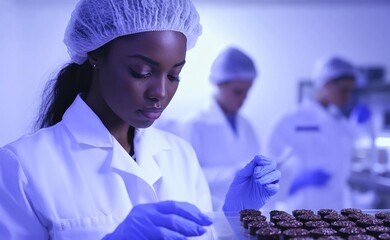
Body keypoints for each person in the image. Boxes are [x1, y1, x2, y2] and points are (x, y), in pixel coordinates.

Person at [0, 0, 280, 239]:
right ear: (95, 55)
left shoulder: (179, 154)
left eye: (174, 76)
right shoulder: (22, 166)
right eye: (142, 71)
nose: (160, 93)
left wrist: (233, 219)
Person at [162, 46, 262, 211]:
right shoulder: (193, 125)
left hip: (247, 213)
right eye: (237, 92)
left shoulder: (247, 125)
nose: (243, 99)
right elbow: (187, 177)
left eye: (247, 92)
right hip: (209, 213)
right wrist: (235, 173)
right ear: (219, 84)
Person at [267, 55, 368, 211]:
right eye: (344, 90)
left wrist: (358, 122)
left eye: (351, 91)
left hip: (336, 208)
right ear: (327, 84)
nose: (348, 96)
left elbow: (348, 146)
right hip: (301, 209)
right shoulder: (290, 120)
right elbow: (268, 165)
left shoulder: (339, 120)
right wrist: (294, 182)